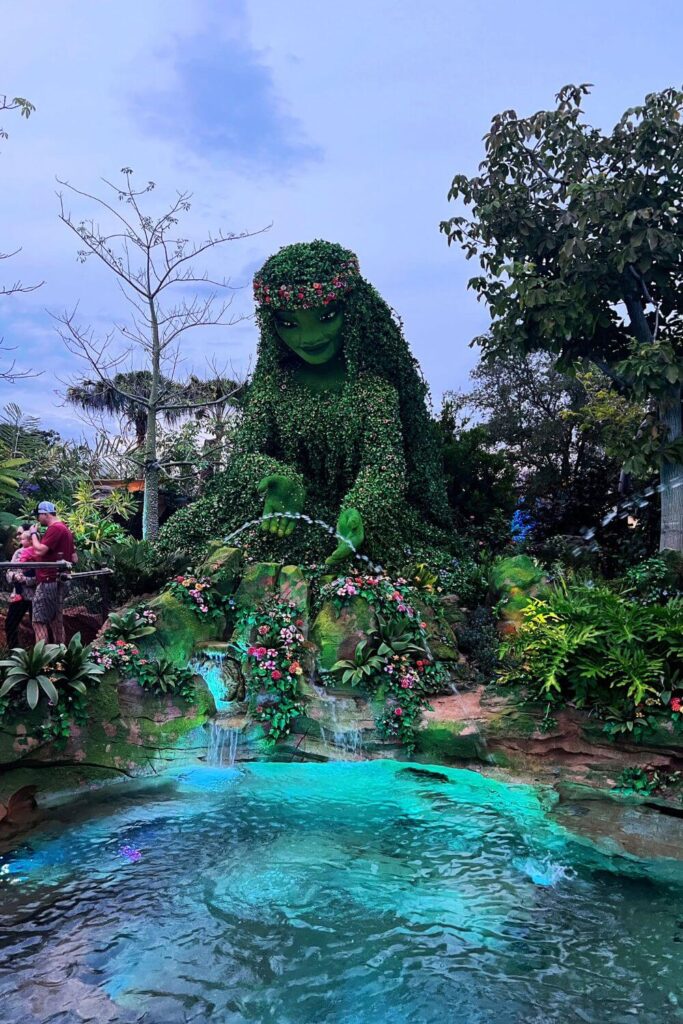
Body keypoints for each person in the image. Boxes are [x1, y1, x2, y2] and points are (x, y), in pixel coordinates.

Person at [157, 240, 452, 569]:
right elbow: (244, 456)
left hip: (346, 521)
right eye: (289, 323)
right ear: (272, 324)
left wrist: (359, 509)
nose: (308, 338)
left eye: (326, 316)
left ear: (352, 311)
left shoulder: (374, 390)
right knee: (184, 537)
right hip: (283, 512)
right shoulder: (273, 387)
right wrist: (281, 477)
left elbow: (384, 467)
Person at [29, 501, 77, 644]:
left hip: (49, 580)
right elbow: (75, 558)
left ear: (45, 514)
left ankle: (42, 659)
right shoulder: (65, 529)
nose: (38, 519)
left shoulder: (55, 529)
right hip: (60, 580)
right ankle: (60, 656)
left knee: (39, 622)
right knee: (56, 621)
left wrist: (33, 535)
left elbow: (40, 549)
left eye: (38, 515)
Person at [4, 529, 37, 649]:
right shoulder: (18, 552)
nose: (19, 539)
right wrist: (14, 576)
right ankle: (14, 650)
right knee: (10, 623)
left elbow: (39, 576)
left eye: (22, 537)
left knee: (38, 625)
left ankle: (39, 652)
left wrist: (26, 580)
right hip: (20, 594)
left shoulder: (38, 553)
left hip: (35, 595)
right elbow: (10, 570)